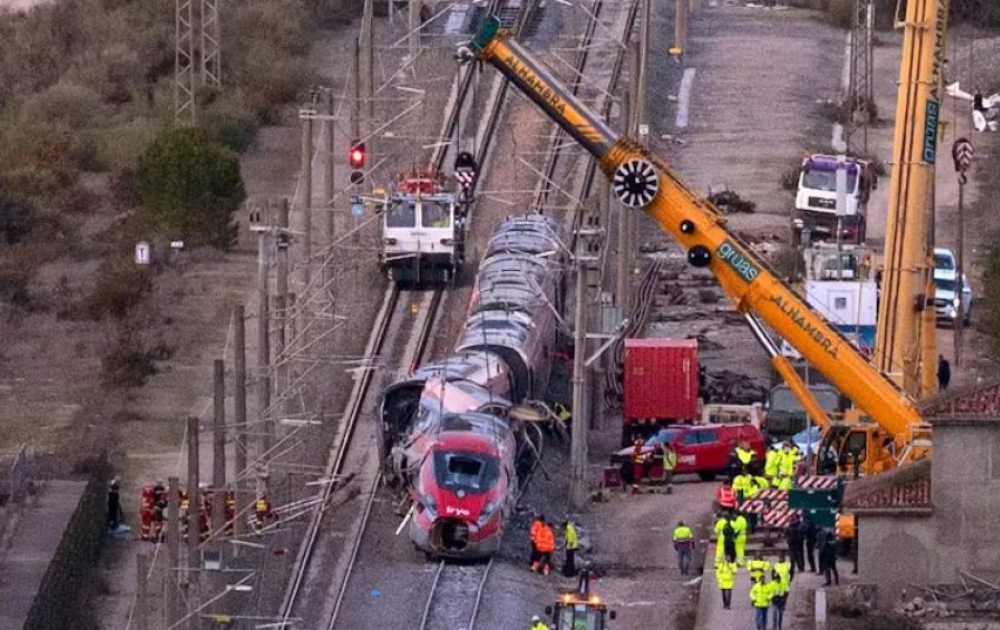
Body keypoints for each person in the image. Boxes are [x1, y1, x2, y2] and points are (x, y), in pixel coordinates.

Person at [771, 561, 790, 630]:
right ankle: (774, 626)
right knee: (775, 613)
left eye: (778, 578)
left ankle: (779, 625)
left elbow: (787, 592)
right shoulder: (772, 584)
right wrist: (772, 598)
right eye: (776, 579)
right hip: (775, 600)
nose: (777, 580)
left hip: (781, 600)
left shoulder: (783, 584)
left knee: (780, 614)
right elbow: (769, 592)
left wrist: (784, 599)